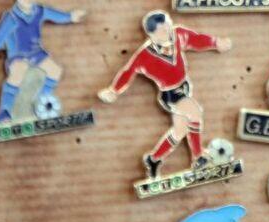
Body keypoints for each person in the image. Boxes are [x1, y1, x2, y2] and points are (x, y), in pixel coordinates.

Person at [98, 11, 231, 179]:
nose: (168, 31)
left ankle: (153, 159)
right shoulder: (144, 55)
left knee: (180, 131)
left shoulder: (178, 34)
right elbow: (128, 71)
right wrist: (113, 90)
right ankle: (198, 157)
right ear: (151, 34)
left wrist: (215, 42)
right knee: (195, 112)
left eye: (168, 26)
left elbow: (196, 39)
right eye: (162, 30)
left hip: (184, 87)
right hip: (170, 94)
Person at [0, 0, 85, 123]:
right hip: (17, 56)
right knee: (18, 72)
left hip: (37, 53)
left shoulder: (40, 11)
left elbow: (56, 15)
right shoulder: (11, 18)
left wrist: (70, 17)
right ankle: (4, 111)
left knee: (56, 70)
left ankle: (41, 100)